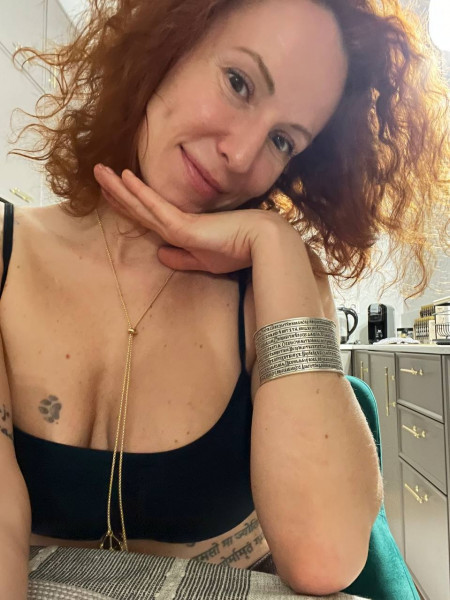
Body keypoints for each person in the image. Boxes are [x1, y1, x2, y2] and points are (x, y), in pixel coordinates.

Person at [0, 0, 448, 598]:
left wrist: (274, 242)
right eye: (239, 83)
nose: (240, 156)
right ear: (168, 43)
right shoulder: (5, 255)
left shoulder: (277, 287)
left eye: (283, 141)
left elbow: (327, 556)